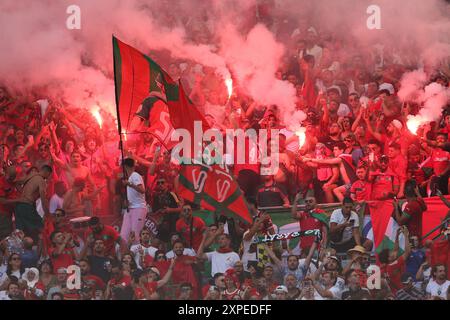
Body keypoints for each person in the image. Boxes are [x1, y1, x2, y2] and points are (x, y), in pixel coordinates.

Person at [10, 165, 53, 241]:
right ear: (47, 172)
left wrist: (23, 193)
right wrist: (47, 214)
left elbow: (16, 182)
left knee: (21, 232)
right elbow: (43, 200)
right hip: (27, 206)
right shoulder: (41, 180)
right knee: (41, 227)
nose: (48, 177)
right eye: (49, 175)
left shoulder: (31, 175)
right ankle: (43, 249)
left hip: (19, 206)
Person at [120, 158, 147, 245]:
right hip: (130, 208)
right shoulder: (130, 177)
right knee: (123, 236)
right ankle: (125, 256)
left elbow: (142, 190)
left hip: (138, 208)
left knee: (135, 235)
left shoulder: (135, 175)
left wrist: (129, 184)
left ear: (125, 167)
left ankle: (137, 256)